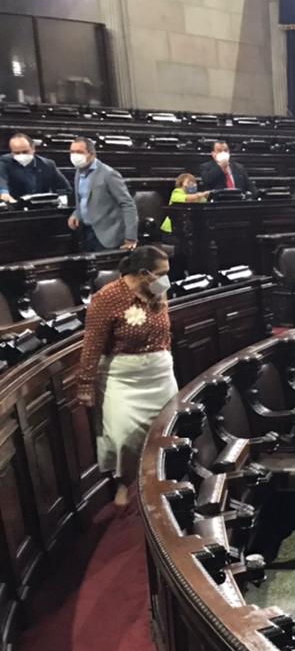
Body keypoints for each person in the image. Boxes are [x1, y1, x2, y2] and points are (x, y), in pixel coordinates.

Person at [76, 246, 178, 506]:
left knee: (167, 430)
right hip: (124, 378)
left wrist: (165, 357)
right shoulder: (107, 297)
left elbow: (165, 328)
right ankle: (126, 483)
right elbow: (92, 343)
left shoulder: (158, 287)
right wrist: (85, 384)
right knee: (123, 436)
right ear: (144, 273)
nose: (166, 278)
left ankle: (161, 481)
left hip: (159, 374)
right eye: (161, 273)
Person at [67, 137, 137, 252]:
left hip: (108, 236)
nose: (75, 155)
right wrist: (76, 214)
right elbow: (83, 199)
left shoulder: (108, 174)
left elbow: (128, 205)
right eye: (72, 152)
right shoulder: (78, 172)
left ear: (92, 154)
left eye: (79, 152)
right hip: (86, 232)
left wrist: (131, 238)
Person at [0, 132, 70, 202]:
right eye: (17, 153)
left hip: (40, 206)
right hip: (14, 207)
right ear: (11, 152)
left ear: (33, 148)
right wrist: (4, 193)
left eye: (25, 152)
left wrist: (61, 197)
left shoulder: (47, 165)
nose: (21, 155)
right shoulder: (4, 162)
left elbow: (64, 188)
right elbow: (1, 179)